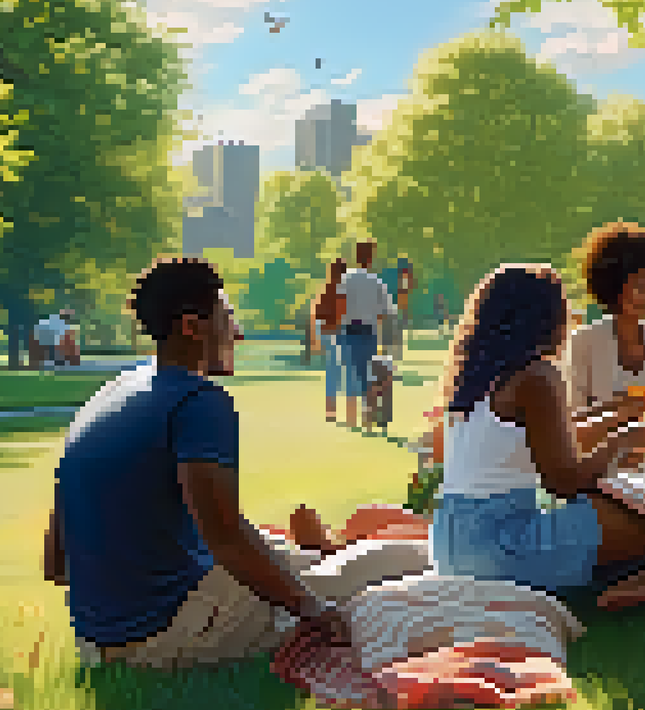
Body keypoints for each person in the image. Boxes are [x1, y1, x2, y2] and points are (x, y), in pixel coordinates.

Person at [45, 257, 428, 670]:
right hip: (164, 636)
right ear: (192, 327)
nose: (239, 333)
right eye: (228, 317)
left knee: (289, 555)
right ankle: (435, 561)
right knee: (373, 573)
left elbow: (56, 563)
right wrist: (313, 610)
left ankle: (316, 550)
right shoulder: (198, 401)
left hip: (96, 640)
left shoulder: (109, 394)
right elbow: (224, 537)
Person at [430, 264, 645, 593]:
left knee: (625, 513)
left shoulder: (476, 379)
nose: (570, 319)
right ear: (543, 318)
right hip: (499, 548)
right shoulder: (537, 375)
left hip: (452, 546)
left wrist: (617, 414)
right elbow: (564, 482)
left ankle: (632, 581)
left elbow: (551, 437)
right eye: (565, 309)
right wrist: (622, 441)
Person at [562, 222, 645, 459]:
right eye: (639, 286)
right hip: (595, 473)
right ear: (614, 286)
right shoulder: (584, 343)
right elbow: (571, 424)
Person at [338, 241, 398, 430]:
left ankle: (352, 417)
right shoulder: (377, 281)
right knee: (368, 374)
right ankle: (368, 414)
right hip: (370, 331)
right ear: (370, 258)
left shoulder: (345, 279)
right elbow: (386, 312)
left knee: (352, 373)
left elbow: (339, 306)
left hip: (349, 330)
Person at [313, 258, 348, 423]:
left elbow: (317, 314)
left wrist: (317, 338)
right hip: (339, 332)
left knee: (332, 372)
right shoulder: (343, 289)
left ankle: (331, 410)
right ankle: (344, 410)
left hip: (328, 332)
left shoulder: (326, 289)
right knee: (343, 372)